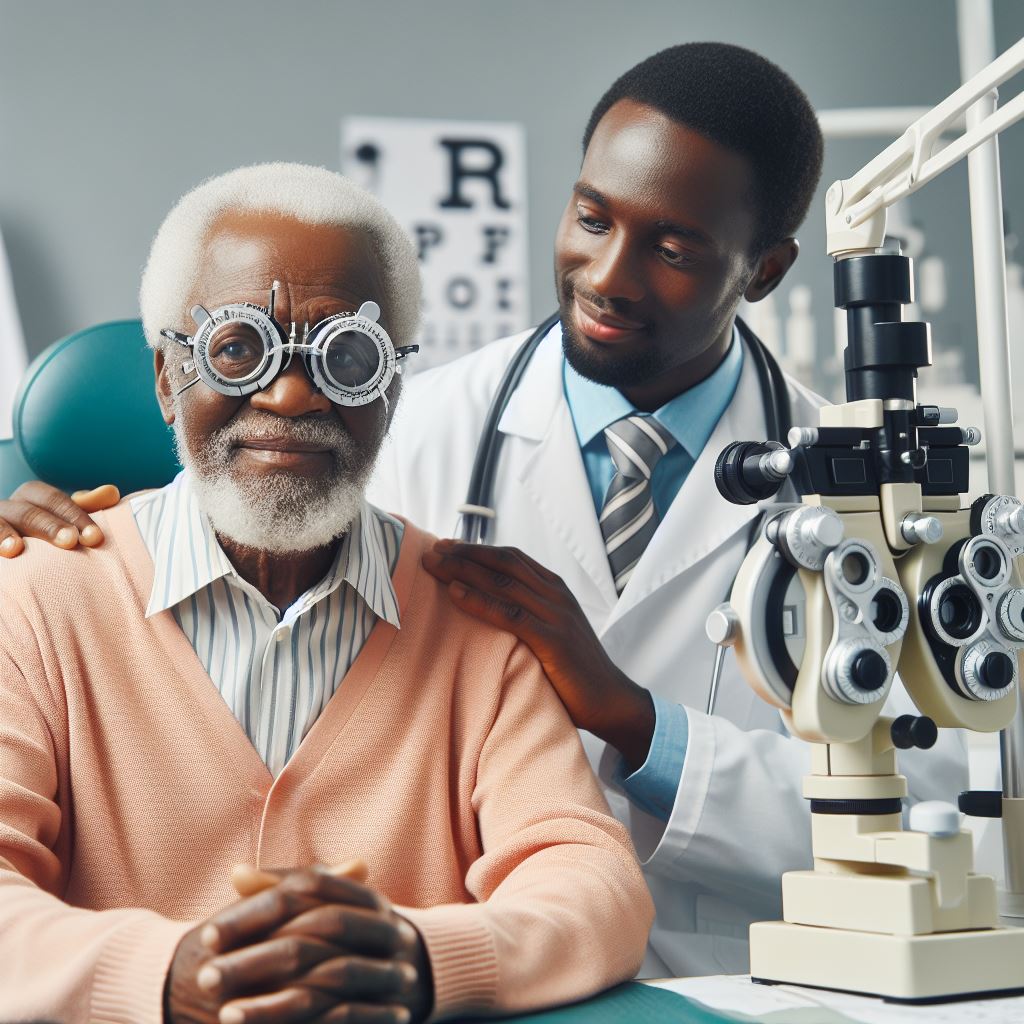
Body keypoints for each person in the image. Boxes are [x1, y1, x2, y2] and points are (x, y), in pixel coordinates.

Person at [2, 43, 966, 978]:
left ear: (764, 268)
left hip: (744, 970)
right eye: (592, 218)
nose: (609, 277)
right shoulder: (416, 427)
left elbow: (938, 803)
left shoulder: (865, 493)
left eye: (672, 248)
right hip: (473, 975)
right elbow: (242, 504)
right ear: (170, 373)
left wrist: (637, 723)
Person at [0, 163, 653, 1024]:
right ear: (166, 379)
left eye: (346, 354)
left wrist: (426, 958)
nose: (289, 393)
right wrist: (162, 974)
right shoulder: (37, 599)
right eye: (238, 348)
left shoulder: (473, 620)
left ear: (390, 387)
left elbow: (594, 882)